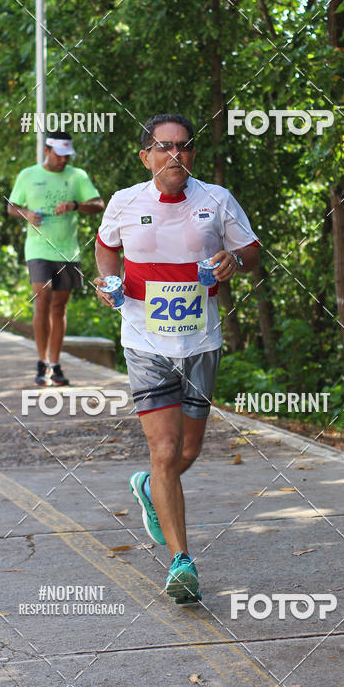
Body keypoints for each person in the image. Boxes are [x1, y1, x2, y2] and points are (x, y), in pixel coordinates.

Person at [94, 114, 259, 604]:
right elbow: (105, 250)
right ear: (145, 156)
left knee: (186, 453)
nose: (175, 155)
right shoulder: (125, 202)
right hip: (145, 340)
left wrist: (235, 262)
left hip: (200, 342)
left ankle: (147, 487)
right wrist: (107, 282)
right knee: (165, 451)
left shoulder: (217, 200)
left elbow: (252, 254)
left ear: (192, 155)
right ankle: (181, 561)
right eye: (164, 147)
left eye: (184, 147)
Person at [8, 131, 104, 386]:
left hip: (67, 251)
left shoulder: (77, 176)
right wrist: (26, 213)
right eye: (59, 155)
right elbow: (11, 206)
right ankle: (41, 363)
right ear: (47, 151)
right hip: (38, 249)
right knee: (42, 299)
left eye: (67, 156)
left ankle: (55, 364)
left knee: (59, 307)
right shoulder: (28, 175)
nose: (63, 161)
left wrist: (74, 205)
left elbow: (98, 204)